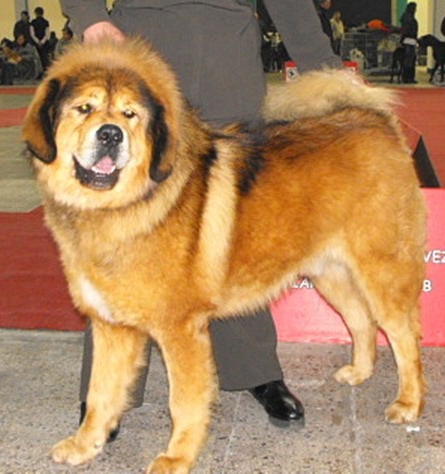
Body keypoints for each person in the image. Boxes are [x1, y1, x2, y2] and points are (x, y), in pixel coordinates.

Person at [61, 0, 342, 434]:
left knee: (235, 228)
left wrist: (326, 68)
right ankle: (108, 389)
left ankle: (253, 367)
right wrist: (91, 17)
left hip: (229, 62)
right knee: (123, 231)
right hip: (141, 51)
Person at [400, 2, 419, 84]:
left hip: (406, 40)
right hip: (410, 40)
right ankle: (409, 78)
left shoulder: (405, 17)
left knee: (407, 60)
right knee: (410, 60)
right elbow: (409, 30)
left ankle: (406, 77)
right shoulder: (410, 18)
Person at [30, 6, 50, 72]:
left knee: (37, 59)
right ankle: (45, 71)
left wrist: (37, 42)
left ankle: (38, 71)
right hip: (44, 44)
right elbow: (47, 34)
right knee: (44, 58)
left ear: (35, 13)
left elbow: (32, 34)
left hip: (35, 44)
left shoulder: (33, 22)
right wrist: (42, 42)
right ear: (43, 13)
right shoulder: (46, 22)